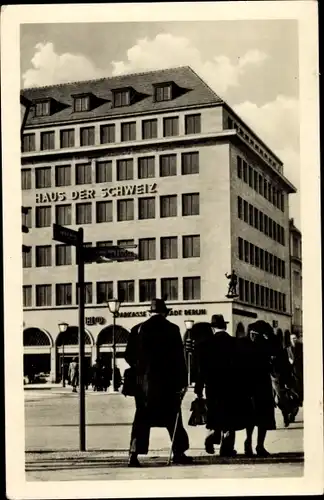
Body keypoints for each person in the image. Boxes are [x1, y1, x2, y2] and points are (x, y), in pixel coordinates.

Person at [124, 298, 191, 467]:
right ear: (164, 312)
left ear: (150, 312)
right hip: (168, 384)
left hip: (144, 385)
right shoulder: (173, 329)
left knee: (141, 419)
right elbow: (179, 359)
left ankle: (134, 454)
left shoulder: (137, 329)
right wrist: (183, 382)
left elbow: (128, 356)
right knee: (173, 417)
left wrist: (141, 369)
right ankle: (178, 452)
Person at [194, 314, 252, 457]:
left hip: (213, 386)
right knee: (230, 416)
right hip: (232, 386)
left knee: (214, 413)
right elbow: (242, 367)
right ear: (225, 327)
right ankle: (226, 448)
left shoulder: (204, 345)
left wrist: (199, 389)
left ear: (213, 328)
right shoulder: (235, 343)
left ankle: (212, 435)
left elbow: (201, 369)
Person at [239, 321, 276, 457]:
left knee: (259, 417)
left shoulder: (258, 344)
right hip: (257, 385)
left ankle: (256, 445)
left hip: (255, 385)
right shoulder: (256, 345)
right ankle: (253, 444)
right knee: (255, 416)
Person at [289, 333, 304, 408]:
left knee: (300, 385)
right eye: (292, 338)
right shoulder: (288, 348)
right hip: (292, 369)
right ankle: (297, 401)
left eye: (295, 338)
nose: (294, 340)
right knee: (294, 386)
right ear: (290, 339)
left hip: (299, 369)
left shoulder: (301, 347)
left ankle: (301, 400)